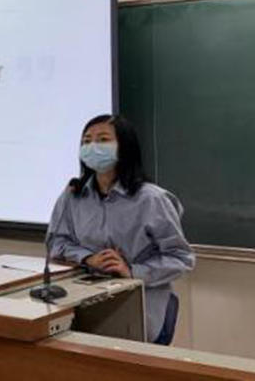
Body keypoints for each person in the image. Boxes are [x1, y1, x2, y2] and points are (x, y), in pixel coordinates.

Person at [48, 114, 195, 345]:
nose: (92, 146)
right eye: (86, 141)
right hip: (85, 305)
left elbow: (180, 258)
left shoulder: (151, 199)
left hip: (141, 308)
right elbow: (56, 243)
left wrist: (132, 271)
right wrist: (88, 258)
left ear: (124, 147)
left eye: (103, 139)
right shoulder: (73, 195)